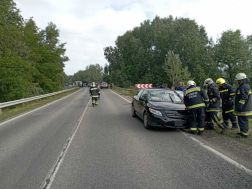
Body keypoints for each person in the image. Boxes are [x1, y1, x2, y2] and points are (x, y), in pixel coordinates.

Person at [234, 73, 251, 138]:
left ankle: (244, 134)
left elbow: (244, 97)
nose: (238, 82)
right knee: (241, 120)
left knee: (243, 121)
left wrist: (240, 105)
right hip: (243, 108)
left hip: (244, 108)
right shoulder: (243, 86)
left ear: (242, 80)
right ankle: (242, 132)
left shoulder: (244, 86)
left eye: (239, 80)